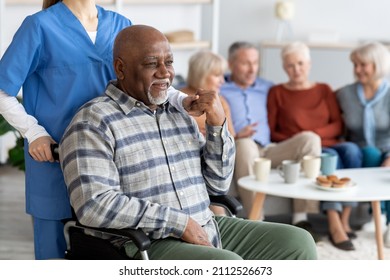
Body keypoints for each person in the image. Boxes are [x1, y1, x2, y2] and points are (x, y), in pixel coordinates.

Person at [58, 24, 317, 260]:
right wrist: (178, 223)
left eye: (169, 62)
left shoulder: (178, 112)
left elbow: (218, 184)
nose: (165, 73)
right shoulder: (93, 121)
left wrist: (217, 125)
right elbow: (94, 205)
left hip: (207, 225)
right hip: (145, 243)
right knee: (226, 264)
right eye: (151, 64)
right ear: (121, 68)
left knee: (298, 242)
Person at [0, 0, 194, 259]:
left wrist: (182, 100)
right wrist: (34, 132)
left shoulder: (120, 25)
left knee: (112, 248)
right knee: (53, 256)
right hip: (55, 158)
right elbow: (3, 90)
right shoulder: (39, 26)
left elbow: (144, 78)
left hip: (112, 157)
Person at [219, 41, 322, 240]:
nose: (252, 69)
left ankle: (301, 217)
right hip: (243, 147)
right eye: (245, 63)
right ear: (231, 64)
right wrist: (237, 134)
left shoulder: (269, 87)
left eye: (255, 63)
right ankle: (256, 221)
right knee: (246, 144)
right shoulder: (221, 87)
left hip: (270, 149)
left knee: (310, 139)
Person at [267, 41, 362, 251]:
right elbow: (273, 131)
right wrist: (302, 139)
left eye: (300, 63)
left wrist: (314, 135)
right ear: (284, 67)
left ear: (309, 64)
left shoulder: (323, 89)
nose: (296, 69)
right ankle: (334, 221)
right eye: (290, 65)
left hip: (329, 141)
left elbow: (338, 124)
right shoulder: (277, 92)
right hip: (306, 148)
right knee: (328, 160)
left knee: (352, 150)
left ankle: (345, 218)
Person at [336, 41, 390, 248]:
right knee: (368, 153)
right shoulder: (345, 94)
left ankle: (384, 219)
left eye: (363, 65)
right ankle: (378, 217)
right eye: (355, 65)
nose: (357, 70)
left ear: (377, 65)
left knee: (381, 162)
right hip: (360, 150)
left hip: (388, 149)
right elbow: (336, 124)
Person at [180, 50, 235, 137]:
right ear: (201, 75)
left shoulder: (221, 101)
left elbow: (231, 138)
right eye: (217, 75)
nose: (222, 81)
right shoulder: (178, 99)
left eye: (222, 75)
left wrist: (213, 135)